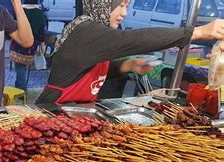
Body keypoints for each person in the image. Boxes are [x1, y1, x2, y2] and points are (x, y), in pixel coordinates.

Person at [35, 0, 224, 104]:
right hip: (54, 109)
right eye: (121, 5)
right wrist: (196, 32)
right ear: (103, 4)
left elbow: (84, 70)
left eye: (127, 6)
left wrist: (128, 66)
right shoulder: (85, 31)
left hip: (77, 108)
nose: (125, 13)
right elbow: (135, 39)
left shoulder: (93, 32)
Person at [10, 0, 47, 91]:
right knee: (24, 68)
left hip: (18, 43)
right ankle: (18, 89)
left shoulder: (20, 11)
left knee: (20, 68)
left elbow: (12, 26)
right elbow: (42, 31)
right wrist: (42, 44)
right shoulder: (40, 13)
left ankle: (22, 91)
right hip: (32, 46)